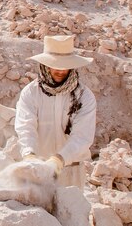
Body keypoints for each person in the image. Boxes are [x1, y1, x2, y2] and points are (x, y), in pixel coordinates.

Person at [14, 34, 97, 186]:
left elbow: (82, 136)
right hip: (37, 169)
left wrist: (60, 159)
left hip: (71, 170)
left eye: (65, 67)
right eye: (56, 66)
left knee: (71, 209)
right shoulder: (31, 92)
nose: (60, 71)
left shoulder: (84, 97)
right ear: (45, 66)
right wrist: (29, 155)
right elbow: (25, 126)